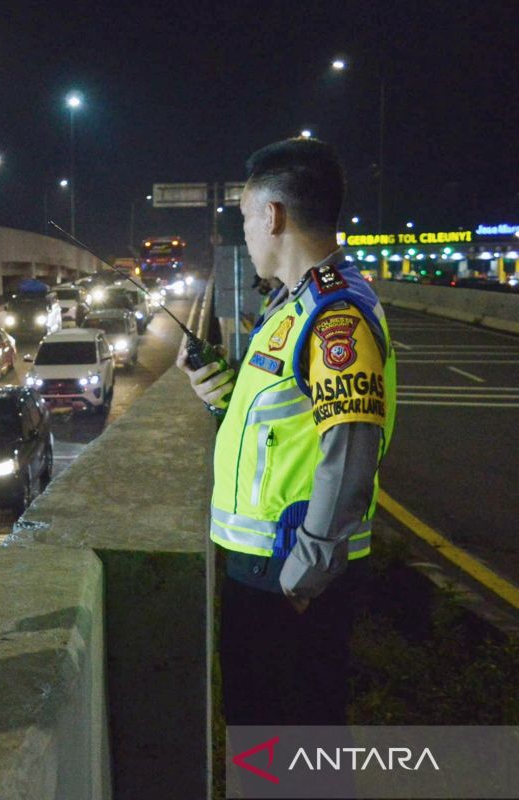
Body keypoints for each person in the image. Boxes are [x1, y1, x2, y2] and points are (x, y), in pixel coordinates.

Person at [176, 138, 396, 725]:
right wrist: (221, 395)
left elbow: (350, 444)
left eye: (247, 217)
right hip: (265, 567)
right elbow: (283, 425)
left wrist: (311, 569)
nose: (247, 233)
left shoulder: (335, 314)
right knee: (266, 744)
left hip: (291, 574)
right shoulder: (292, 308)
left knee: (296, 745)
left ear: (272, 215)